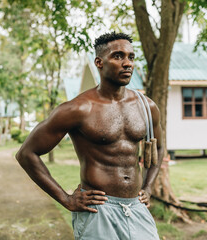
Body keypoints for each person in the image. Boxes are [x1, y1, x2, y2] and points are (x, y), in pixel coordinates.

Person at [15, 32, 163, 240]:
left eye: (131, 57)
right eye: (118, 56)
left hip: (136, 208)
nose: (127, 63)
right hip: (98, 212)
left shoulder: (147, 107)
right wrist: (66, 199)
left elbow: (158, 147)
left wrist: (147, 187)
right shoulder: (78, 109)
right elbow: (26, 154)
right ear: (99, 62)